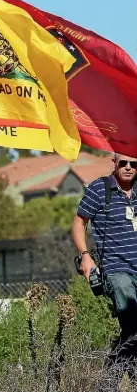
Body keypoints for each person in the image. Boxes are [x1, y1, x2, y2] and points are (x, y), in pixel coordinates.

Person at [72, 153, 137, 361]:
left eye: (134, 164)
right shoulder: (99, 189)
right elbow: (79, 224)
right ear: (114, 163)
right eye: (123, 163)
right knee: (131, 318)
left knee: (131, 332)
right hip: (116, 270)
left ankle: (112, 371)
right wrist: (85, 256)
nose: (128, 167)